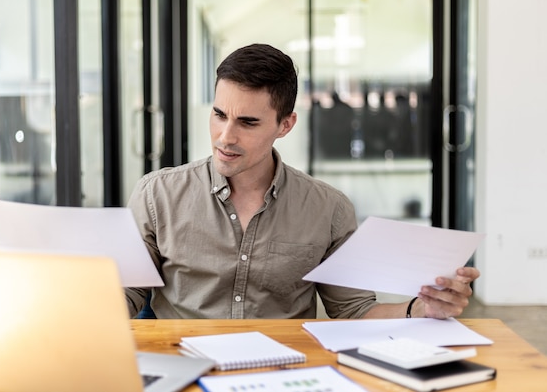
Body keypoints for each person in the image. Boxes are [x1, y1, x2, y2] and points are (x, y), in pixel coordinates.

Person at [125, 43, 479, 319]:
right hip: (183, 360)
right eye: (219, 115)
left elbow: (353, 310)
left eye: (248, 122)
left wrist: (419, 309)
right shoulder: (158, 195)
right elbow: (126, 297)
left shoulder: (328, 209)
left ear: (285, 125)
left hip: (283, 368)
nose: (225, 137)